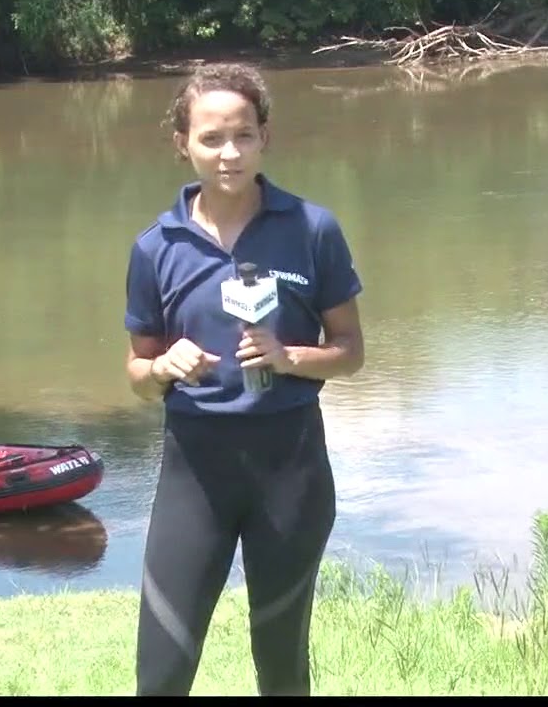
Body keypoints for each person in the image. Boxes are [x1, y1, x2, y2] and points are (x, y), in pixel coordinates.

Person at [122, 62, 366, 696]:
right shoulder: (158, 247)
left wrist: (288, 358)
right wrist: (160, 368)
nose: (229, 153)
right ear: (183, 144)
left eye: (244, 136)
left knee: (282, 667)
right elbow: (137, 374)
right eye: (210, 139)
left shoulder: (312, 230)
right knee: (163, 668)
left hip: (291, 469)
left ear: (265, 138)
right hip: (194, 472)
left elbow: (349, 352)